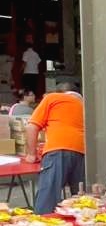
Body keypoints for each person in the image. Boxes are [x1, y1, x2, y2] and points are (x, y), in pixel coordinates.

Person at [24, 80, 85, 215]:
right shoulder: (84, 105)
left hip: (58, 151)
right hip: (82, 153)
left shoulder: (53, 98)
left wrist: (31, 154)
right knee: (81, 202)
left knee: (47, 199)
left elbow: (31, 127)